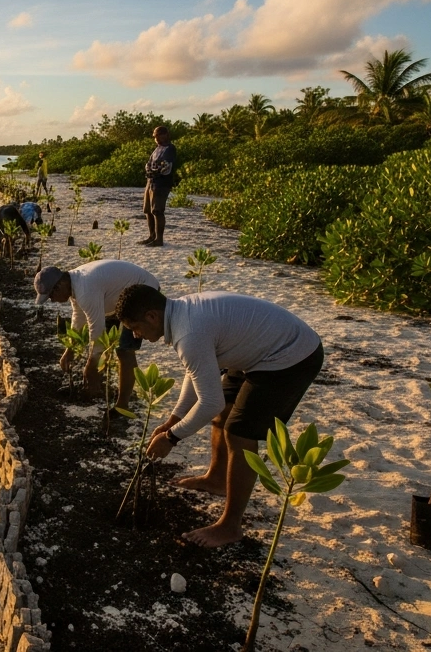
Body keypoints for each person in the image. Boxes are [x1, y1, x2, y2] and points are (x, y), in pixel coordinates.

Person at [115, 285, 324, 547]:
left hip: (291, 355)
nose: (137, 335)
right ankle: (216, 479)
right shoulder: (181, 315)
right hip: (257, 350)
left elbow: (208, 402)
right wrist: (173, 418)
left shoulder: (189, 333)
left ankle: (230, 526)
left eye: (135, 327)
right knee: (225, 408)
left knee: (239, 433)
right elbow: (197, 375)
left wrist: (171, 437)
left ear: (152, 317)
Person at [33, 260, 160, 410]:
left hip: (143, 293)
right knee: (107, 347)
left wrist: (91, 366)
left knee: (124, 351)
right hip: (120, 297)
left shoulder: (85, 289)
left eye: (51, 297)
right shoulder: (75, 284)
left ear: (59, 286)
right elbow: (78, 317)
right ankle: (101, 388)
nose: (53, 301)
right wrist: (70, 350)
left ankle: (122, 405)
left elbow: (97, 330)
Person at [140, 126, 177, 247]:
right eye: (155, 136)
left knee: (157, 211)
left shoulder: (170, 149)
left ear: (165, 135)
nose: (156, 138)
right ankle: (152, 236)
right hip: (151, 181)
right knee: (148, 210)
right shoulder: (157, 149)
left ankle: (159, 239)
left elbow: (167, 166)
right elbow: (149, 163)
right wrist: (149, 170)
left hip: (162, 184)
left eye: (158, 135)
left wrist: (156, 171)